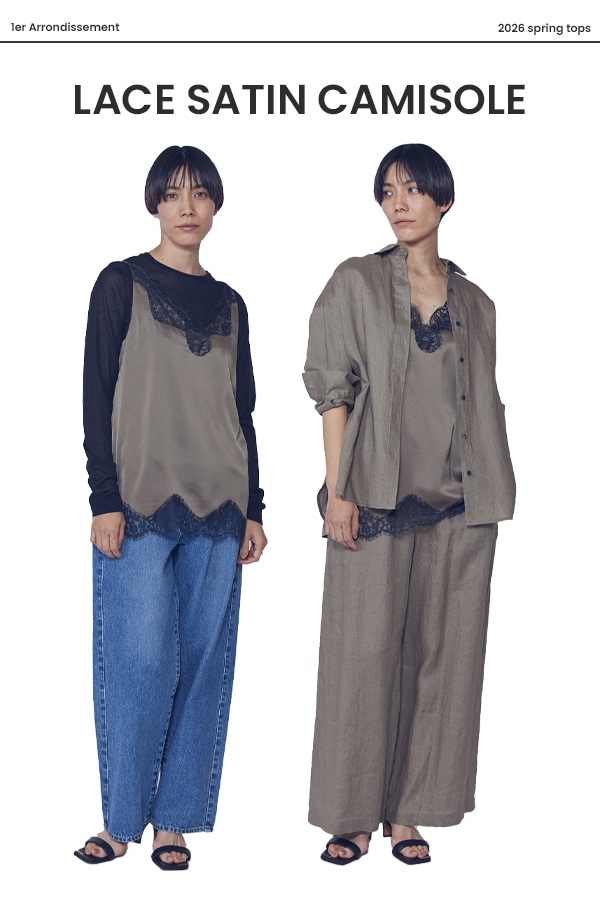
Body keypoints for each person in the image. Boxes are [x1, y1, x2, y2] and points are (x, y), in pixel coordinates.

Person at [303, 143, 515, 866]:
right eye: (388, 190)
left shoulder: (478, 304)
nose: (399, 203)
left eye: (414, 189)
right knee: (361, 657)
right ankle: (352, 816)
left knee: (443, 661)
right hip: (373, 501)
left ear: (443, 201)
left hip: (462, 505)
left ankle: (410, 813)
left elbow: (479, 402)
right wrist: (338, 490)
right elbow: (332, 391)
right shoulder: (355, 282)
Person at [75, 145, 267, 870]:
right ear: (155, 202)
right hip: (139, 504)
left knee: (204, 665)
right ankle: (121, 820)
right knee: (138, 662)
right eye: (174, 193)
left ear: (215, 205)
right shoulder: (119, 283)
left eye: (200, 194)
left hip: (221, 507)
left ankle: (175, 821)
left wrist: (255, 508)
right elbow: (96, 394)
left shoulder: (233, 305)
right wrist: (103, 497)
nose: (187, 207)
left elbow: (243, 413)